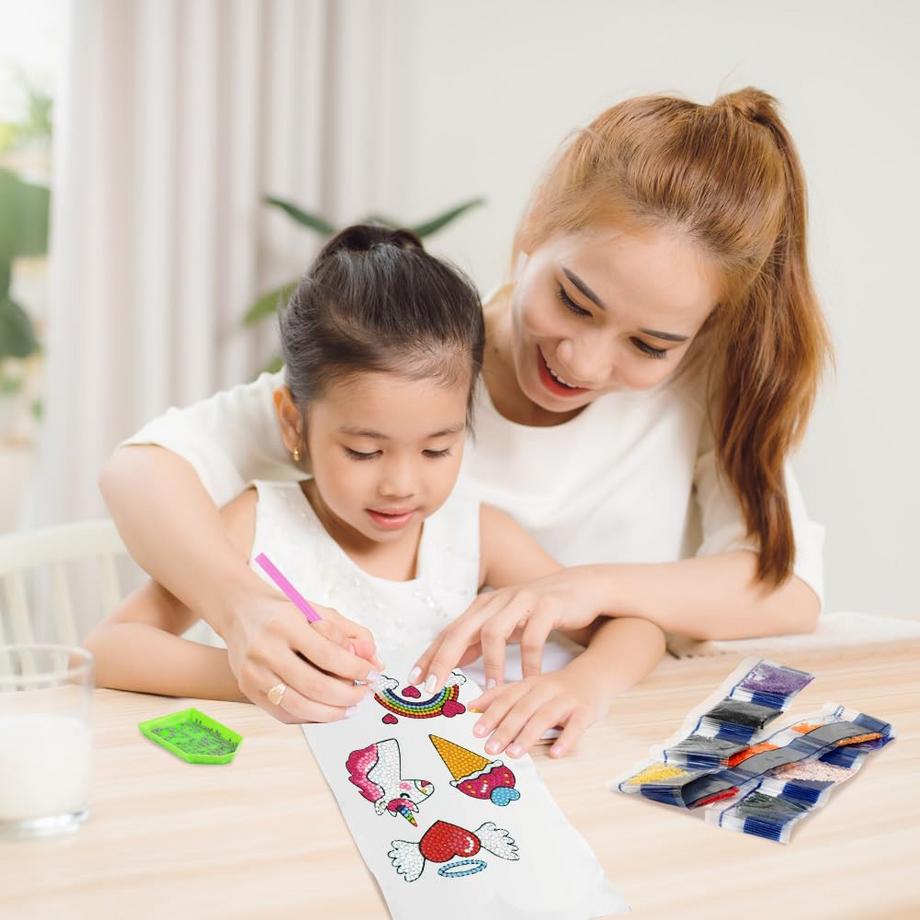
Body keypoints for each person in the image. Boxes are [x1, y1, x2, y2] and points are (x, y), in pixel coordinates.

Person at [100, 87, 828, 737]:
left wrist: (585, 588)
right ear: (536, 225)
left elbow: (787, 591)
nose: (584, 361)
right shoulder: (414, 368)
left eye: (650, 343)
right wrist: (241, 611)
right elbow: (140, 473)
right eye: (574, 301)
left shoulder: (695, 395)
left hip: (604, 728)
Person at [86, 225, 665, 757]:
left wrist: (581, 684)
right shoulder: (258, 524)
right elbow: (111, 647)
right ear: (293, 422)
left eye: (437, 449)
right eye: (364, 451)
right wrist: (258, 674)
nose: (401, 485)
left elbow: (634, 629)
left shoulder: (478, 534)